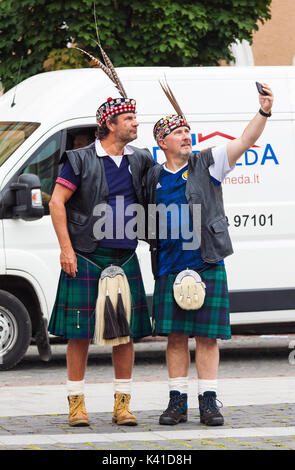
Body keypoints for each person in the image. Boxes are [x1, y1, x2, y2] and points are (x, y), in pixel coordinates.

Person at [145, 82, 274, 426]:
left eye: (188, 131)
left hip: (206, 260)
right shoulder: (153, 176)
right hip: (169, 264)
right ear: (163, 142)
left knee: (207, 336)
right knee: (174, 338)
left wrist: (263, 111)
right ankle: (176, 401)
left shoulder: (209, 163)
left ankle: (208, 401)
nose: (187, 136)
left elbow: (245, 141)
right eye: (179, 132)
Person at [48, 96, 154, 427]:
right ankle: (76, 405)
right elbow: (56, 203)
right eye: (129, 118)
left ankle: (122, 405)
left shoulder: (141, 159)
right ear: (110, 124)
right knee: (78, 334)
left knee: (124, 335)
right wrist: (66, 249)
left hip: (124, 257)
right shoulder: (79, 160)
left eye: (135, 118)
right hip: (86, 256)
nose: (136, 123)